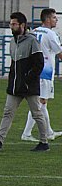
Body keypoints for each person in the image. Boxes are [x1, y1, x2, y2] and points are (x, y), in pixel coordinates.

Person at [0, 11, 49, 152]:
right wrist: (11, 81)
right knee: (8, 112)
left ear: (22, 25)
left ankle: (44, 142)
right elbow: (14, 65)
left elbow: (39, 64)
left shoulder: (32, 41)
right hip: (15, 86)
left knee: (37, 113)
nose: (11, 26)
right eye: (10, 24)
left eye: (14, 24)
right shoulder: (13, 42)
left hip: (29, 86)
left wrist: (27, 80)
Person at [22, 8, 62, 141]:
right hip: (45, 72)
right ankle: (27, 134)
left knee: (41, 103)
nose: (56, 20)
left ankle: (48, 131)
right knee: (40, 103)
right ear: (48, 19)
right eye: (55, 17)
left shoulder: (34, 31)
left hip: (34, 70)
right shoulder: (50, 34)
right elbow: (60, 53)